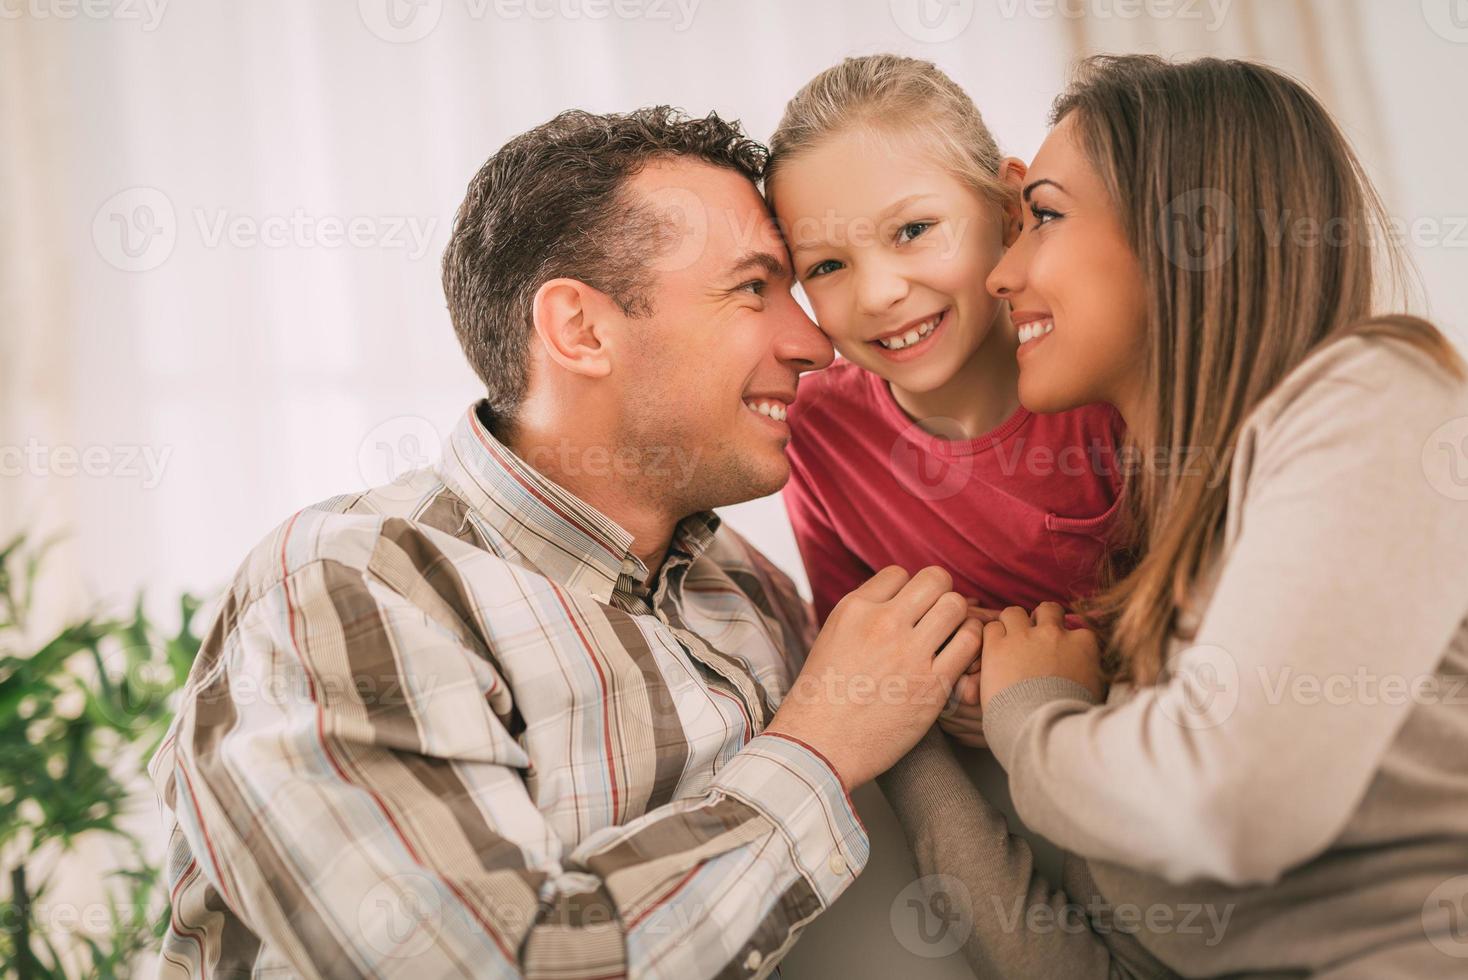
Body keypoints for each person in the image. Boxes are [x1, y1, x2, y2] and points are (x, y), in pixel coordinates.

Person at [147, 106, 982, 979]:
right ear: (580, 330)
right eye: (752, 289)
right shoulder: (353, 586)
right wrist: (817, 751)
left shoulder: (743, 588)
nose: (814, 342)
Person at [880, 54, 1468, 978]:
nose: (1002, 273)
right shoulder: (1167, 557)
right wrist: (893, 728)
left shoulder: (1377, 400)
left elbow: (1231, 808)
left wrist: (1032, 719)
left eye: (1044, 216)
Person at [766, 55, 1125, 748]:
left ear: (1008, 210)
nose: (878, 295)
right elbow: (862, 651)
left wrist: (1041, 674)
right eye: (828, 267)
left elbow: (1210, 615)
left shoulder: (1104, 385)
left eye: (913, 231)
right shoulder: (819, 434)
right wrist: (949, 682)